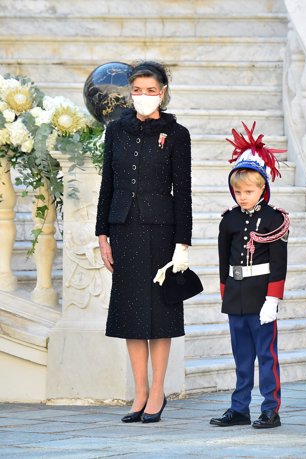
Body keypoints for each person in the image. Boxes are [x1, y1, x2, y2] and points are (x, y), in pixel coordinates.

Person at [96, 61, 192, 423]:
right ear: (130, 92)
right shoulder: (116, 130)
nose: (144, 97)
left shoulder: (177, 134)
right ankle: (138, 391)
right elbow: (108, 183)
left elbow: (182, 192)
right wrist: (102, 233)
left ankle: (157, 391)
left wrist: (183, 243)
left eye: (151, 90)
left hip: (161, 232)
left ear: (163, 92)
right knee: (130, 314)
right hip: (122, 229)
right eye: (138, 90)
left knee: (160, 313)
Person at [209, 122, 289, 430]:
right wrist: (224, 291)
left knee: (266, 356)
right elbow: (221, 259)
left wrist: (274, 298)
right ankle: (239, 407)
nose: (243, 196)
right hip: (236, 294)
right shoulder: (228, 220)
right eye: (238, 191)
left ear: (263, 189)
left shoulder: (274, 219)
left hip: (261, 294)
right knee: (242, 357)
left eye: (250, 191)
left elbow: (279, 262)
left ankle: (271, 408)